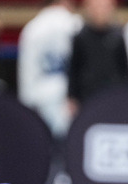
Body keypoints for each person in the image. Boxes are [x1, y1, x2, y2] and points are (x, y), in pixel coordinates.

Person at [17, 0, 83, 138]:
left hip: (40, 97)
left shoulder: (33, 27)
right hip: (70, 98)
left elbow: (27, 72)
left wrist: (26, 105)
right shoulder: (76, 24)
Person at [67, 0, 128, 113]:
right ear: (88, 8)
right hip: (87, 97)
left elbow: (125, 70)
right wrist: (71, 97)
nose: (100, 11)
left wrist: (127, 95)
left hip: (113, 95)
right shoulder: (80, 37)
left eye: (104, 7)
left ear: (111, 8)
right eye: (96, 7)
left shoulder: (118, 36)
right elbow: (74, 70)